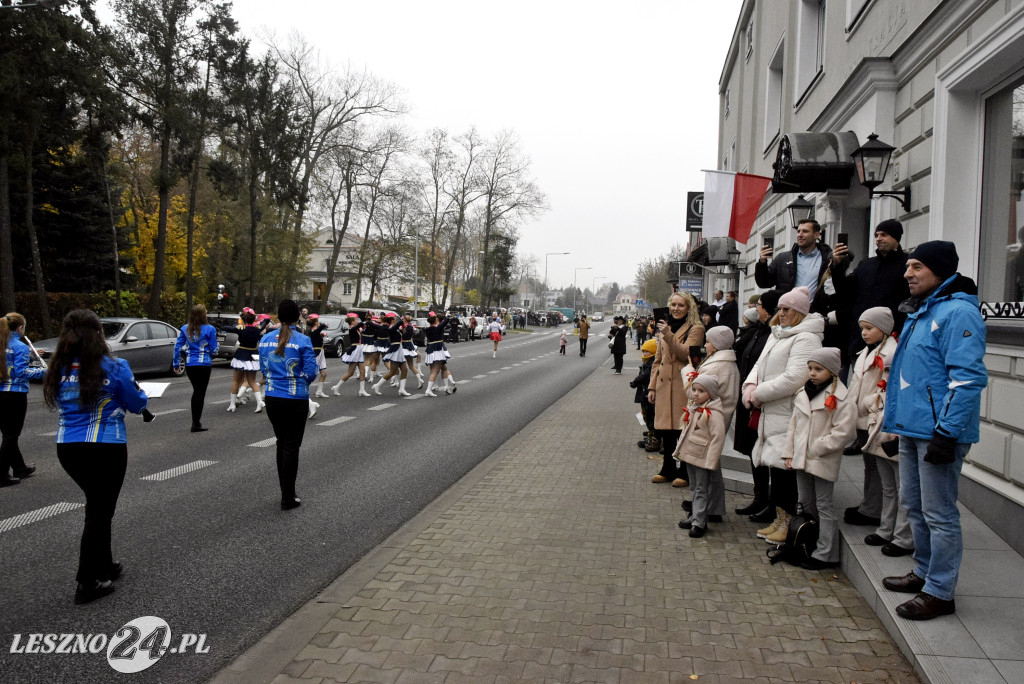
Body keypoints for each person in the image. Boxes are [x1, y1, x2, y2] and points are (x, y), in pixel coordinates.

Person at [881, 241, 987, 621]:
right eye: (908, 266)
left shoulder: (958, 312)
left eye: (917, 266)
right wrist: (894, 428)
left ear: (939, 271)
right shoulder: (921, 311)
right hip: (912, 429)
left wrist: (947, 433)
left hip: (939, 433)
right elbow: (905, 379)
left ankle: (941, 591)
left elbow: (968, 379)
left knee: (939, 513)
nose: (908, 273)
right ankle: (924, 572)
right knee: (915, 505)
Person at [43, 309, 151, 604]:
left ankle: (105, 564)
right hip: (105, 446)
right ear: (98, 333)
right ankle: (87, 581)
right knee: (100, 511)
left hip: (67, 447)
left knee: (98, 506)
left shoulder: (59, 366)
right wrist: (142, 402)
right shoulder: (115, 367)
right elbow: (135, 400)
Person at [830, 219, 911, 527]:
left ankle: (884, 513)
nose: (879, 239)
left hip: (892, 349)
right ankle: (871, 505)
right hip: (862, 347)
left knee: (881, 448)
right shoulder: (865, 266)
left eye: (885, 235)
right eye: (876, 234)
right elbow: (846, 295)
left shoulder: (906, 266)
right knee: (866, 442)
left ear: (897, 238)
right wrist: (837, 267)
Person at [741, 286, 824, 543]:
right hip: (770, 410)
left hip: (787, 411)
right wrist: (750, 386)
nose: (782, 313)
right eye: (781, 308)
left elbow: (795, 377)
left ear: (799, 311)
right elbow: (759, 364)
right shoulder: (778, 334)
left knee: (785, 472)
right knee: (775, 472)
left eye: (787, 309)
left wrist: (759, 394)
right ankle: (778, 518)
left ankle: (788, 522)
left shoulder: (806, 338)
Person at [784, 347, 856, 569]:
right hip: (801, 457)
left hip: (821, 458)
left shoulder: (841, 398)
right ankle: (807, 544)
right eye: (810, 369)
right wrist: (789, 452)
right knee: (805, 502)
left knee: (824, 504)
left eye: (818, 369)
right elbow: (793, 426)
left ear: (832, 371)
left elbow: (845, 432)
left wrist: (818, 446)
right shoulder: (803, 393)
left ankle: (826, 553)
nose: (813, 373)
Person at [849, 307, 912, 557]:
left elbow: (888, 390)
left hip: (883, 422)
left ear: (884, 329)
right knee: (878, 475)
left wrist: (867, 404)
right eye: (862, 328)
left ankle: (897, 532)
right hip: (868, 420)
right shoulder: (868, 350)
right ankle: (882, 521)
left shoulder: (891, 353)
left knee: (896, 483)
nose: (864, 333)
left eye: (869, 328)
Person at [258, 300, 319, 510]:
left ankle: (286, 493)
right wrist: (300, 380)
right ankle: (288, 496)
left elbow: (263, 369)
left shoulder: (265, 339)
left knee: (281, 443)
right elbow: (312, 372)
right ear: (297, 317)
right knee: (292, 446)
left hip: (273, 397)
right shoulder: (302, 340)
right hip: (295, 398)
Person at [679, 326, 739, 527]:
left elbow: (694, 392)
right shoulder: (725, 362)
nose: (705, 345)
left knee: (703, 471)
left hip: (706, 421)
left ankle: (701, 514)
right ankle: (712, 509)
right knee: (712, 469)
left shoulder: (717, 365)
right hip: (714, 418)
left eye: (708, 341)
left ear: (718, 343)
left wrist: (688, 369)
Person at [647, 292, 706, 487]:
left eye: (681, 305)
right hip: (664, 385)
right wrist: (652, 387)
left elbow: (685, 354)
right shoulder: (667, 327)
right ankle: (668, 469)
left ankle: (685, 471)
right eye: (673, 305)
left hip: (683, 386)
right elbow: (658, 360)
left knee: (683, 429)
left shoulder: (695, 329)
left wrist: (667, 334)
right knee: (667, 431)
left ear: (689, 308)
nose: (676, 309)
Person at [732, 291, 781, 521]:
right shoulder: (758, 331)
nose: (756, 308)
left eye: (759, 305)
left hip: (763, 403)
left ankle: (771, 504)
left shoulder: (774, 335)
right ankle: (759, 498)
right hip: (749, 400)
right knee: (753, 451)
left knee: (765, 454)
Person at [674, 374, 727, 538]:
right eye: (694, 390)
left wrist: (711, 461)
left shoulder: (713, 413)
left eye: (701, 391)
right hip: (691, 456)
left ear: (710, 393)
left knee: (701, 489)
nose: (696, 393)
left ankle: (699, 522)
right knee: (694, 487)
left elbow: (718, 438)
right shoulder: (695, 408)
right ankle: (695, 516)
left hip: (703, 459)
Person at [1, 313, 47, 486]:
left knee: (7, 434)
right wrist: (44, 371)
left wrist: (30, 353)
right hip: (14, 394)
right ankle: (2, 473)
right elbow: (22, 372)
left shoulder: (2, 343)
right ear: (20, 328)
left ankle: (20, 468)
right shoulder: (19, 347)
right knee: (11, 435)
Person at [755, 218, 834, 300]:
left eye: (805, 231)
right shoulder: (782, 258)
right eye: (798, 231)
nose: (800, 234)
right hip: (788, 310)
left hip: (816, 310)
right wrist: (762, 263)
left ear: (816, 235)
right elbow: (763, 283)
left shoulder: (828, 259)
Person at [173, 304, 219, 433]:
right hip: (204, 364)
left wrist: (176, 364)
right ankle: (196, 423)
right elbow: (214, 350)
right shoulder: (210, 329)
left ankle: (196, 422)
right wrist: (216, 347)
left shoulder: (184, 329)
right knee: (200, 392)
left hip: (190, 364)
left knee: (196, 391)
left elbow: (177, 347)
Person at [225, 309, 264, 414]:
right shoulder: (258, 329)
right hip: (253, 355)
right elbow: (267, 321)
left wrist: (220, 324)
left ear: (243, 319)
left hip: (241, 355)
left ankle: (232, 404)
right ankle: (259, 401)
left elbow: (226, 328)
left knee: (236, 381)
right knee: (252, 381)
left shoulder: (240, 328)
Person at [332, 313, 371, 397]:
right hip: (355, 350)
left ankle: (362, 390)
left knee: (363, 371)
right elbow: (361, 324)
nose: (357, 321)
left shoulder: (356, 329)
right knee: (350, 373)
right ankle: (336, 387)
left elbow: (362, 327)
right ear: (352, 322)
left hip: (359, 349)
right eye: (356, 320)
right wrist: (366, 321)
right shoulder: (352, 329)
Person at [632, 338, 658, 453]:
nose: (644, 353)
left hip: (648, 394)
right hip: (644, 393)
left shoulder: (652, 363)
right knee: (647, 416)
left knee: (650, 416)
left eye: (647, 351)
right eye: (643, 351)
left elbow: (645, 376)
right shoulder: (648, 362)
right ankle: (651, 436)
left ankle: (652, 439)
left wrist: (634, 382)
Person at [308, 313, 330, 399]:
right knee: (312, 373)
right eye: (318, 321)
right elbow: (320, 328)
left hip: (321, 353)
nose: (319, 322)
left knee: (324, 373)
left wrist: (322, 335)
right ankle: (301, 389)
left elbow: (318, 333)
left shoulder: (315, 332)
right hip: (316, 353)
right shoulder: (313, 331)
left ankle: (319, 391)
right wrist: (323, 325)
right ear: (316, 322)